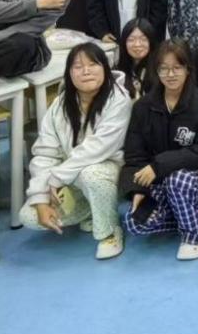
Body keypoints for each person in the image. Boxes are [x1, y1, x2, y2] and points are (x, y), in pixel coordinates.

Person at [19, 43, 131, 259]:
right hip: (68, 177)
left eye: (93, 64)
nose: (86, 71)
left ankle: (109, 230)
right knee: (29, 216)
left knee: (91, 174)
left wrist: (57, 177)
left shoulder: (118, 99)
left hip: (107, 172)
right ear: (69, 73)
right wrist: (40, 197)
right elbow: (45, 153)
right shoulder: (60, 105)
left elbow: (98, 147)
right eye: (78, 67)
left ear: (105, 68)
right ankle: (92, 210)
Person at [122, 39, 198, 261]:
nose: (170, 74)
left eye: (177, 67)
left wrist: (159, 166)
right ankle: (185, 215)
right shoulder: (143, 107)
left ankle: (194, 235)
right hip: (157, 178)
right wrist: (137, 190)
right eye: (164, 68)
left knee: (178, 180)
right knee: (135, 223)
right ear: (156, 71)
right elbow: (134, 154)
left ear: (188, 69)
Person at [117, 18, 156, 99]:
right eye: (131, 40)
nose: (137, 44)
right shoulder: (118, 73)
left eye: (143, 39)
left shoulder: (159, 69)